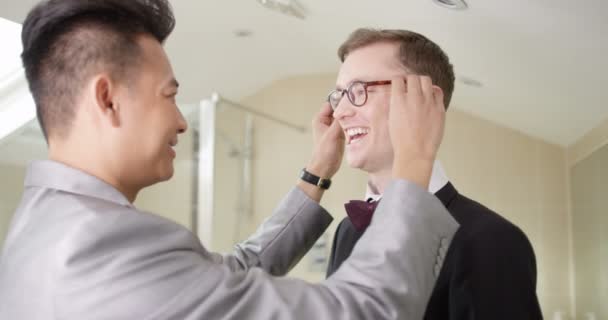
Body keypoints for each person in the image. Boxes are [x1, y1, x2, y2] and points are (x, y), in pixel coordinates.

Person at [0, 1, 458, 319]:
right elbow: (364, 312)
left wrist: (315, 175)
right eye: (170, 96)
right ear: (108, 98)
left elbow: (230, 276)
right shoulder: (99, 248)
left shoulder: (44, 226)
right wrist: (412, 170)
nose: (182, 122)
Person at [325, 28, 543, 319]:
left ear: (426, 99)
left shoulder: (490, 239)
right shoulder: (346, 230)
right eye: (340, 95)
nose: (339, 112)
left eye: (359, 90)